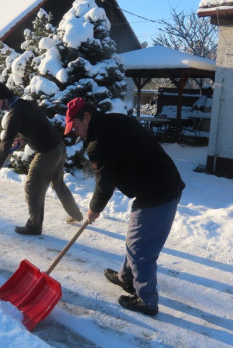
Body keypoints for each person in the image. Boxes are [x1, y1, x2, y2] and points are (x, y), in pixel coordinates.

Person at [64, 97, 185, 316]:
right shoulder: (113, 121)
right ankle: (126, 278)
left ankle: (147, 300)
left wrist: (94, 208)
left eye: (77, 126)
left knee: (140, 249)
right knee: (134, 239)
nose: (76, 132)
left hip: (158, 190)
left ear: (87, 117)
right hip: (157, 184)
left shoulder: (99, 143)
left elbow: (105, 182)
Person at [0, 82, 83, 235]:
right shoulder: (25, 104)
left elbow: (5, 144)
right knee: (58, 184)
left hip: (48, 153)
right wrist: (23, 139)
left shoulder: (14, 114)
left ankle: (34, 226)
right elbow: (36, 126)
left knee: (32, 187)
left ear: (5, 98)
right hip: (58, 147)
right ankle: (76, 214)